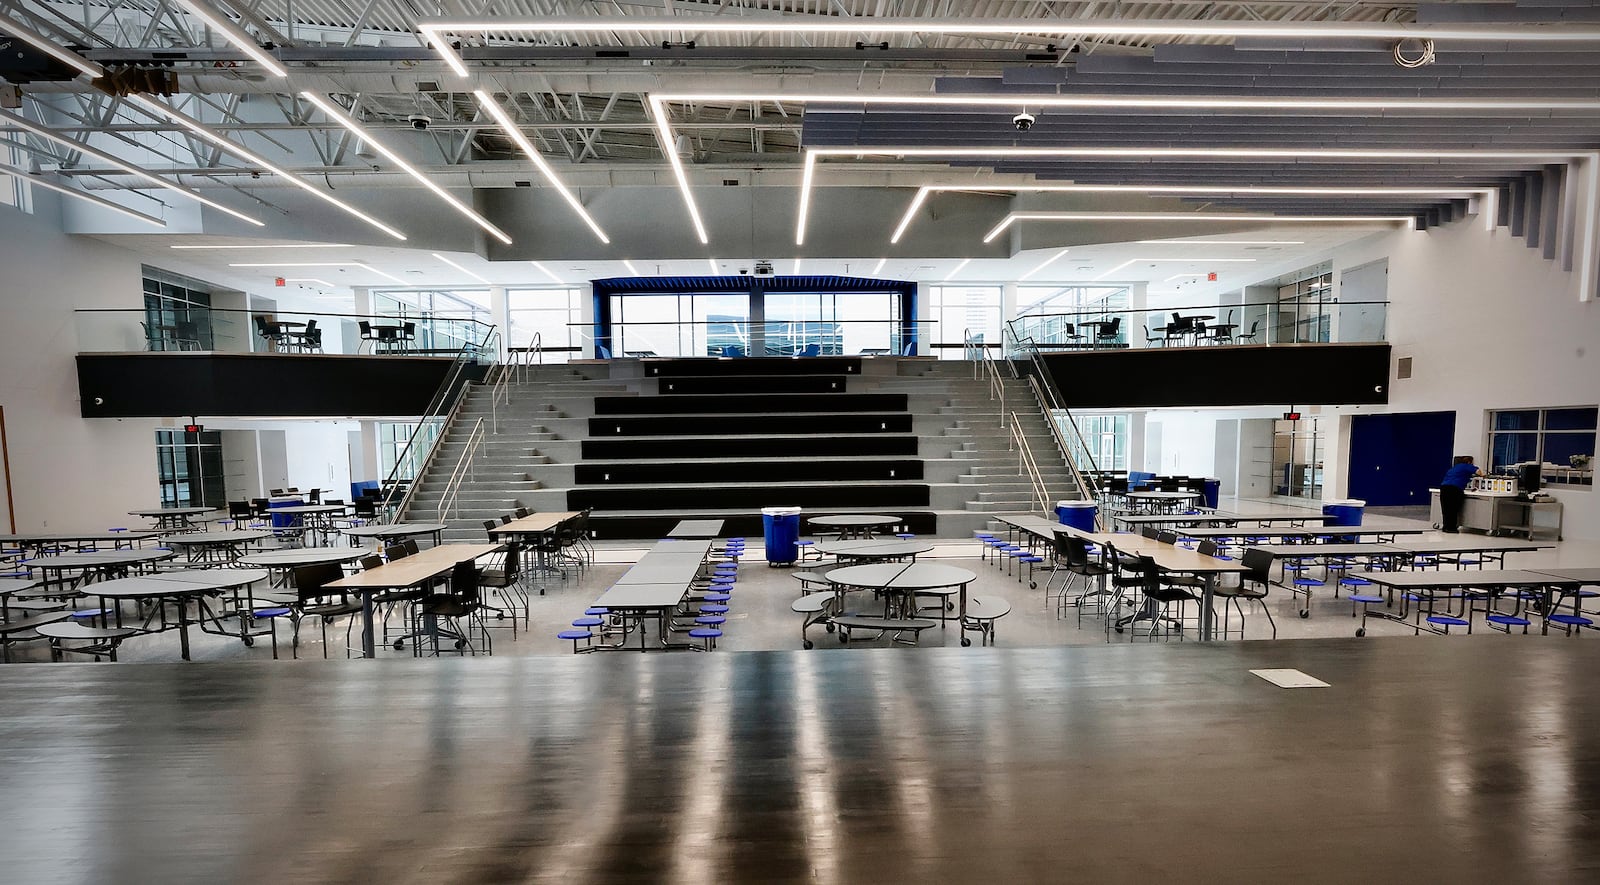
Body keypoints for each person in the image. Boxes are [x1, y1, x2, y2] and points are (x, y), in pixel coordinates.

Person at [1438, 455, 1481, 533]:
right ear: (1469, 462)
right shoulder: (1467, 466)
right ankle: (1451, 528)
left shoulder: (1454, 468)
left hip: (1444, 488)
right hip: (1454, 489)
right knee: (1453, 509)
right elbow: (1479, 472)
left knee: (1446, 509)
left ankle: (1445, 527)